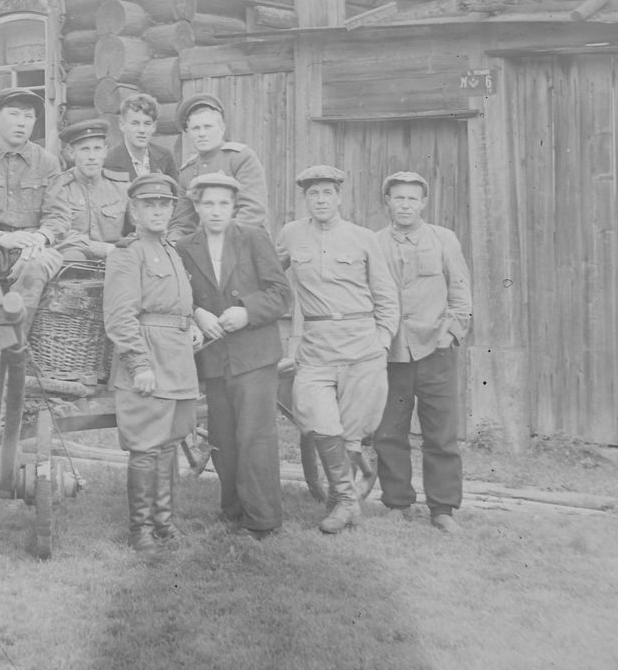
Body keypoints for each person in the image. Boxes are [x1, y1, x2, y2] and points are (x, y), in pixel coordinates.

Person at [276, 166, 399, 534]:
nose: (321, 200)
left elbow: (386, 296)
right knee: (320, 420)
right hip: (316, 347)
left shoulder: (363, 239)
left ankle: (341, 499)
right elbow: (267, 274)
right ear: (306, 199)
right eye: (314, 193)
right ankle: (346, 499)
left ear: (340, 197)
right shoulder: (291, 235)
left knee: (352, 432)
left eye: (328, 192)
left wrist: (383, 340)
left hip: (362, 345)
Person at [176, 173, 291, 539]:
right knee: (222, 438)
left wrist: (245, 310)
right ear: (196, 206)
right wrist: (197, 312)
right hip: (214, 358)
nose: (215, 211)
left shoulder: (253, 238)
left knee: (254, 437)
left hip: (254, 355)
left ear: (234, 207)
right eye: (208, 203)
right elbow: (181, 296)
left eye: (223, 204)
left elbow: (280, 294)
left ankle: (262, 519)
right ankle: (233, 511)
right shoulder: (185, 247)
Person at [103, 173, 205, 553]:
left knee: (168, 445)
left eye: (165, 204)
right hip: (148, 359)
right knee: (146, 447)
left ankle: (165, 524)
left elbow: (177, 303)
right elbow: (119, 317)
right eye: (150, 204)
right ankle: (140, 530)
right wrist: (138, 364)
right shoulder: (128, 253)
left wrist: (191, 323)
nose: (159, 211)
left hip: (178, 359)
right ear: (134, 210)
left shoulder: (171, 251)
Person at [372, 171, 474, 534]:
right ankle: (397, 503)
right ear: (388, 202)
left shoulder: (443, 239)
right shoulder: (375, 243)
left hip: (435, 350)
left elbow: (460, 291)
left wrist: (451, 332)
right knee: (388, 432)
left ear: (423, 203)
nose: (405, 205)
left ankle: (442, 507)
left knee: (441, 434)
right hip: (392, 353)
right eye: (398, 198)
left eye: (412, 199)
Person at [0, 88, 64, 335]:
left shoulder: (47, 163)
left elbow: (58, 215)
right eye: (14, 114)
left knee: (36, 265)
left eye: (28, 117)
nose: (21, 123)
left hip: (33, 244)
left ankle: (9, 346)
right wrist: (1, 237)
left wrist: (40, 238)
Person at [169, 94, 271, 239]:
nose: (202, 133)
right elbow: (182, 223)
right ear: (188, 133)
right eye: (196, 128)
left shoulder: (240, 158)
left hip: (247, 243)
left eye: (208, 127)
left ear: (222, 128)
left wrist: (214, 242)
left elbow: (253, 212)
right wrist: (172, 245)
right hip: (208, 249)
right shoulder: (187, 172)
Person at [39, 118, 131, 264]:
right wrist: (100, 248)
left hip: (115, 261)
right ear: (71, 152)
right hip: (72, 264)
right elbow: (57, 233)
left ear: (105, 151)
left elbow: (136, 229)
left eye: (97, 149)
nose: (92, 157)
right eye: (85, 149)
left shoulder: (121, 187)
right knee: (74, 258)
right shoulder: (59, 188)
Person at [104, 92, 178, 181]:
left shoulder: (165, 156)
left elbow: (174, 192)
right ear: (122, 125)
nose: (142, 130)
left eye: (147, 124)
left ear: (154, 126)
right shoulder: (109, 160)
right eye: (135, 123)